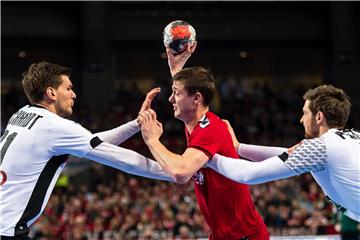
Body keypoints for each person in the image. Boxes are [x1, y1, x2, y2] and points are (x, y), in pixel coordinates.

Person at [0, 61, 174, 239]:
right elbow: (121, 159)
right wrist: (173, 172)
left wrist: (137, 124)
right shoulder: (54, 126)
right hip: (8, 233)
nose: (74, 95)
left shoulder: (21, 114)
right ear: (51, 93)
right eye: (68, 88)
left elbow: (93, 143)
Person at [139, 47, 269, 239]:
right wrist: (177, 70)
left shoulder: (210, 129)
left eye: (175, 93)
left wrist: (151, 140)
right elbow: (190, 91)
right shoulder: (195, 122)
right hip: (223, 235)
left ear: (196, 99)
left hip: (244, 236)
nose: (170, 99)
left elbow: (180, 172)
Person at [207, 85, 360, 222]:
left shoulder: (321, 147)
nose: (301, 120)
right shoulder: (351, 138)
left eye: (305, 113)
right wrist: (239, 149)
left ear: (319, 117)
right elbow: (286, 154)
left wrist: (207, 156)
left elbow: (249, 174)